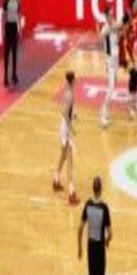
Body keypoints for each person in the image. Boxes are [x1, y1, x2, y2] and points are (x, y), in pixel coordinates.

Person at [53, 71, 80, 205]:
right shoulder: (70, 94)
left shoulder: (67, 90)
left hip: (63, 126)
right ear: (72, 80)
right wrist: (71, 128)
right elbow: (64, 112)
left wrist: (72, 115)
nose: (76, 80)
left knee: (63, 155)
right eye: (75, 79)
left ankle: (56, 178)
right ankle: (71, 193)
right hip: (66, 128)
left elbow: (66, 110)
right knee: (70, 161)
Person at [78, 176, 112, 275]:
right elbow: (110, 233)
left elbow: (80, 228)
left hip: (90, 247)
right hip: (100, 248)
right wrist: (107, 241)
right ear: (101, 189)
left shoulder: (88, 204)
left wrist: (80, 247)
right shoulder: (104, 207)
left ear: (93, 188)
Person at [99, 5, 123, 128]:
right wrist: (120, 25)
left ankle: (106, 110)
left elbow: (118, 37)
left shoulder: (114, 24)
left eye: (112, 14)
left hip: (116, 59)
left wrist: (121, 32)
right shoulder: (105, 29)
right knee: (111, 87)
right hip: (110, 61)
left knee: (114, 84)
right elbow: (102, 35)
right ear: (106, 16)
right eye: (109, 15)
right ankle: (103, 112)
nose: (112, 16)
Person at [3, 0, 21, 87]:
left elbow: (19, 14)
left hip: (14, 27)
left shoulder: (17, 1)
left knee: (14, 53)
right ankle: (5, 76)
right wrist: (4, 29)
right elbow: (4, 15)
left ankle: (14, 74)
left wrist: (19, 28)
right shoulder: (6, 1)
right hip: (8, 27)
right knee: (7, 54)